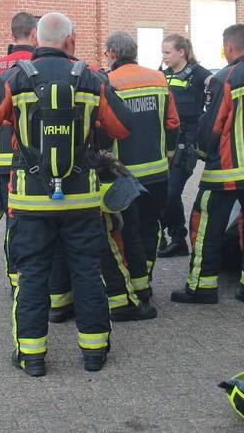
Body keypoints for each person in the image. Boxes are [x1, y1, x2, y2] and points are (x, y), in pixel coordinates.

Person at [0, 13, 132, 377]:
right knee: (88, 275)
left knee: (32, 277)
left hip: (29, 201)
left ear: (37, 39)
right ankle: (94, 353)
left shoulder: (14, 77)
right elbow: (122, 127)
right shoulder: (92, 78)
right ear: (71, 40)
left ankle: (32, 357)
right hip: (82, 201)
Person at [170, 24, 244, 309]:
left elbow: (212, 125)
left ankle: (202, 288)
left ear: (228, 47)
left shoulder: (226, 78)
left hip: (226, 171)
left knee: (205, 225)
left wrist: (204, 153)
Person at [102, 31, 180, 315]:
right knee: (151, 230)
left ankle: (133, 288)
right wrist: (168, 157)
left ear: (112, 52)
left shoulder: (109, 83)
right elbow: (172, 124)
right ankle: (145, 283)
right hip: (158, 173)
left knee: (128, 234)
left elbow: (103, 128)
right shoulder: (159, 79)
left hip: (125, 176)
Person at [0, 11, 38, 289]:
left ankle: (16, 280)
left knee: (12, 222)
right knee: (38, 220)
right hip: (33, 159)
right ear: (35, 34)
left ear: (12, 35)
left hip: (3, 163)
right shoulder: (38, 64)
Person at [158, 34, 212, 257]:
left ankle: (178, 238)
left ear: (181, 52)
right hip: (165, 142)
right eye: (163, 52)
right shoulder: (162, 75)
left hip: (187, 144)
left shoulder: (199, 74)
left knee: (171, 192)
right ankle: (168, 238)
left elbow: (216, 85)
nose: (164, 56)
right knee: (162, 192)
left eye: (167, 52)